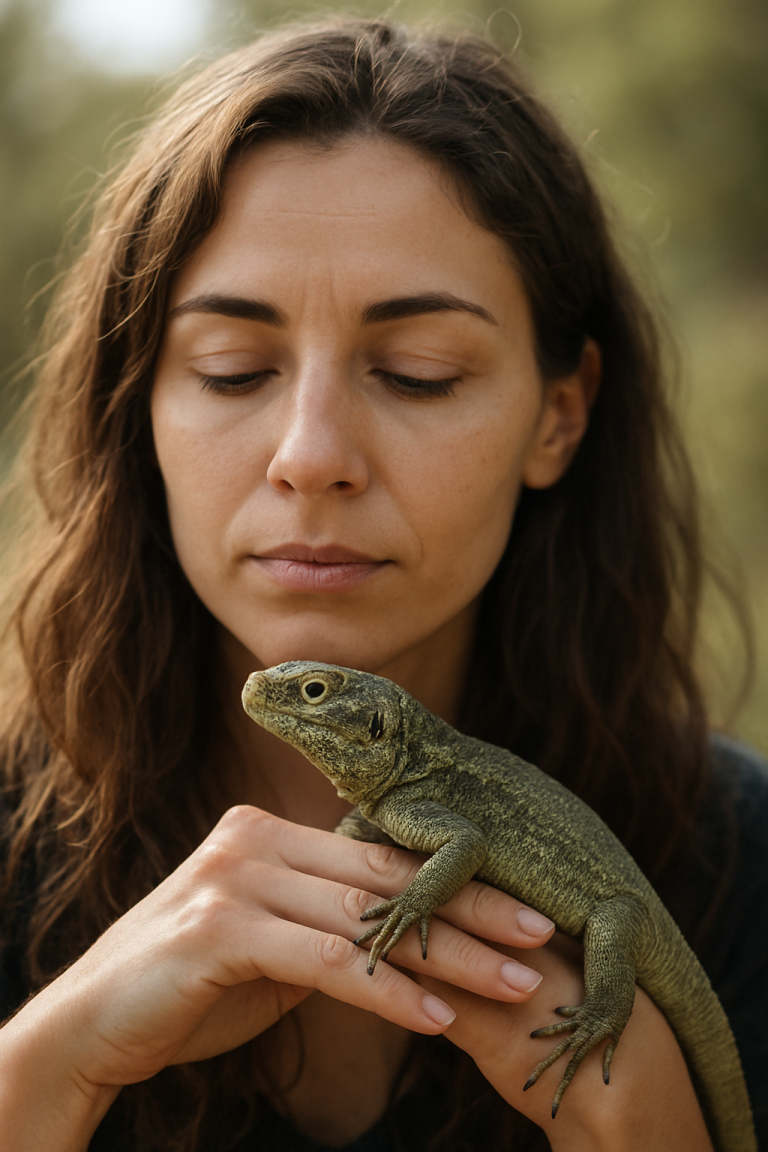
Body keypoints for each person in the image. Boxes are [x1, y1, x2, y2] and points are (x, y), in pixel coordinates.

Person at [0, 17, 765, 1152]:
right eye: (233, 369)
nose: (311, 453)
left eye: (419, 374)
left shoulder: (742, 861)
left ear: (560, 414)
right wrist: (44, 1072)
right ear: (138, 406)